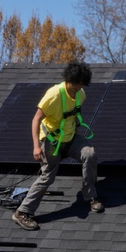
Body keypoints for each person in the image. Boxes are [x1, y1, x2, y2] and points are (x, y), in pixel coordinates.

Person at [12, 61, 103, 231]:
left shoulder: (80, 94)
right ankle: (22, 212)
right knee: (48, 176)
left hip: (69, 139)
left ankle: (90, 197)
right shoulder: (53, 95)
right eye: (78, 83)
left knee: (89, 154)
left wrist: (74, 125)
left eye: (82, 83)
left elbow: (73, 115)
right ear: (70, 80)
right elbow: (36, 119)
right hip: (52, 142)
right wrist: (36, 146)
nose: (80, 86)